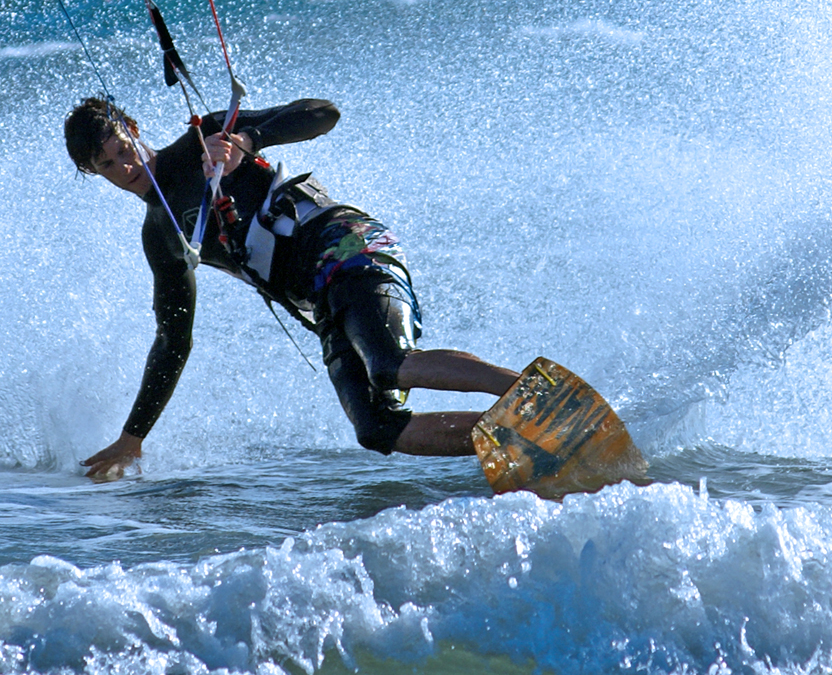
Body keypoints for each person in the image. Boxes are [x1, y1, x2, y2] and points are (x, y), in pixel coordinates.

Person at [64, 97, 519, 481]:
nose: (126, 167)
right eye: (106, 164)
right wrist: (133, 437)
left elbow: (322, 113)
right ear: (93, 173)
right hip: (324, 301)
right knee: (376, 427)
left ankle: (527, 391)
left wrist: (246, 141)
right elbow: (173, 339)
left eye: (124, 148)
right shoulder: (161, 236)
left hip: (344, 244)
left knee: (388, 364)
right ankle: (518, 438)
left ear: (134, 129)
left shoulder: (206, 140)